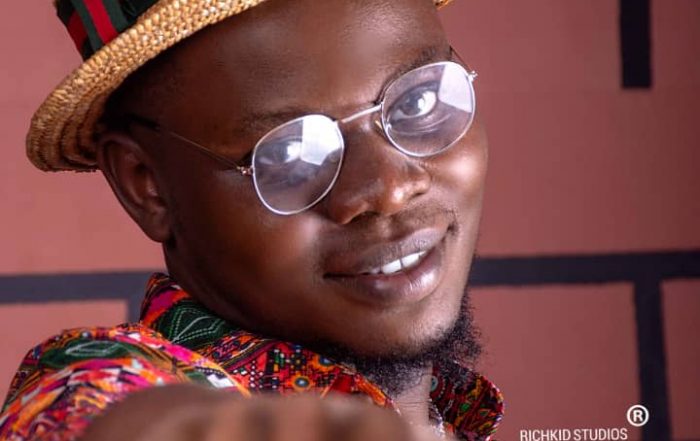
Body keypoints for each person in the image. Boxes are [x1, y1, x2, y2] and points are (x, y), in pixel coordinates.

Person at [1, 0, 504, 439]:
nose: (390, 189)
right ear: (146, 185)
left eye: (418, 100)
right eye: (289, 151)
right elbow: (97, 407)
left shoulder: (450, 419)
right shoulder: (109, 383)